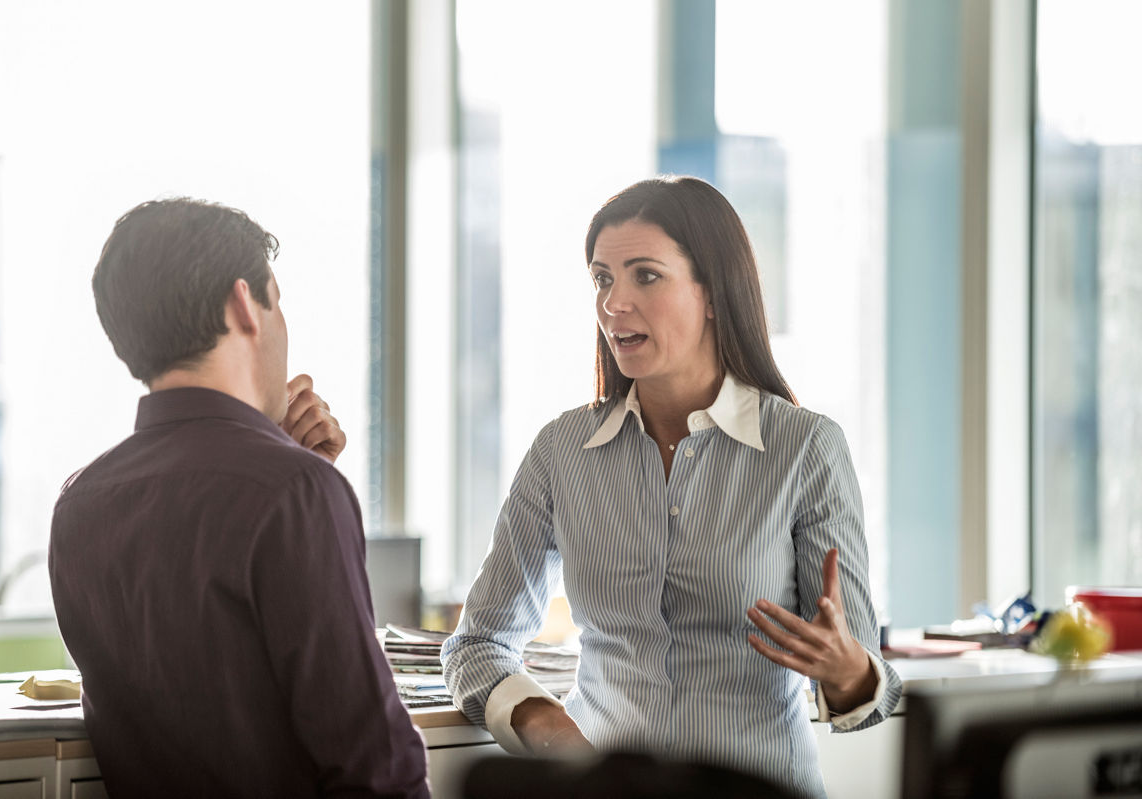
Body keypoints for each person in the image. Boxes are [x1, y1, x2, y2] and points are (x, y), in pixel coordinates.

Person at [441, 176, 901, 799]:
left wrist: (849, 671)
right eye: (603, 279)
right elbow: (478, 645)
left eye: (644, 276)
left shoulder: (805, 449)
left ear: (713, 292)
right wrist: (551, 729)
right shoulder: (561, 452)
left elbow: (866, 694)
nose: (613, 303)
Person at [50, 198, 429, 798]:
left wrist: (290, 468)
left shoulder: (80, 503)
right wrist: (304, 484)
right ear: (244, 305)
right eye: (278, 302)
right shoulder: (294, 491)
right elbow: (375, 767)